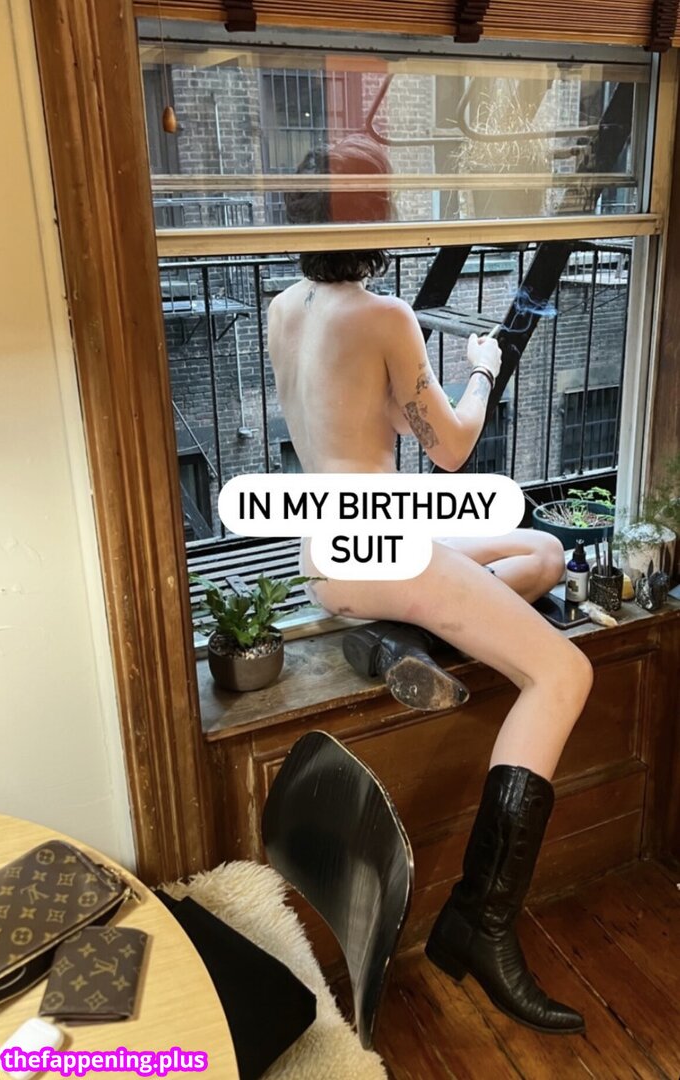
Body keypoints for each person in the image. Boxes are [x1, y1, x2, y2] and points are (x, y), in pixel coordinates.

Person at [267, 134, 593, 1035]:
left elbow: (342, 419)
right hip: (384, 551)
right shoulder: (382, 316)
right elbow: (449, 450)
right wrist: (482, 372)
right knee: (564, 673)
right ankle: (478, 924)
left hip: (326, 552)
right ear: (374, 221)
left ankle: (397, 640)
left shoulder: (282, 306)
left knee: (540, 553)